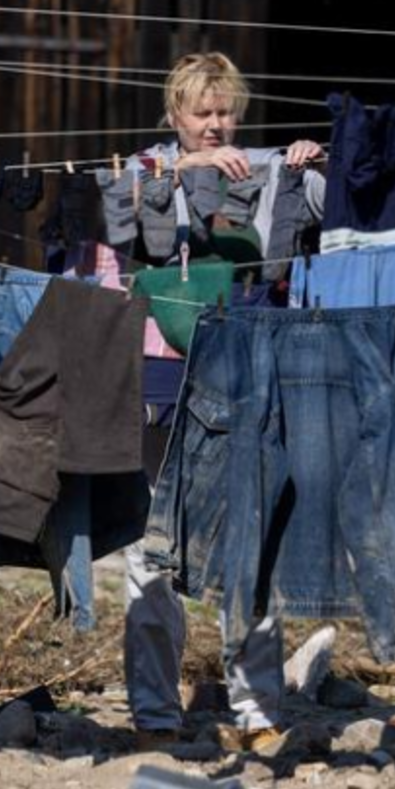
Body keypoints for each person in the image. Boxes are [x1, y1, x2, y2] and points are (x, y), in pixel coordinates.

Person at [121, 51, 325, 753]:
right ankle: (153, 711)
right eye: (201, 112)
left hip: (245, 367)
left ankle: (259, 710)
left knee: (252, 541)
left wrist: (307, 161)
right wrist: (177, 175)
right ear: (174, 114)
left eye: (225, 111)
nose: (215, 124)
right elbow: (116, 214)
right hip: (158, 374)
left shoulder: (267, 171)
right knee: (151, 549)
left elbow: (333, 207)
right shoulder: (145, 169)